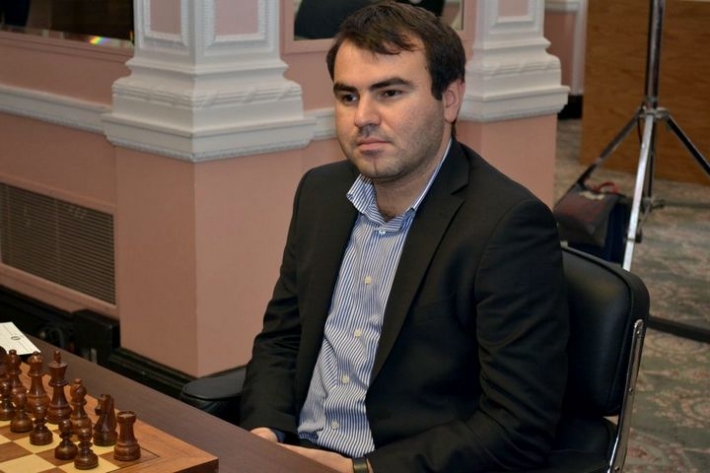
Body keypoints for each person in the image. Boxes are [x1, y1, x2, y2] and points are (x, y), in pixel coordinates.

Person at [240, 3, 570, 472]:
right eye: (348, 96)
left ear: (449, 99)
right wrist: (264, 435)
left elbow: (517, 428)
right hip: (293, 453)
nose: (363, 117)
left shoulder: (507, 227)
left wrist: (358, 471)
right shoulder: (320, 194)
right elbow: (282, 340)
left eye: (390, 92)